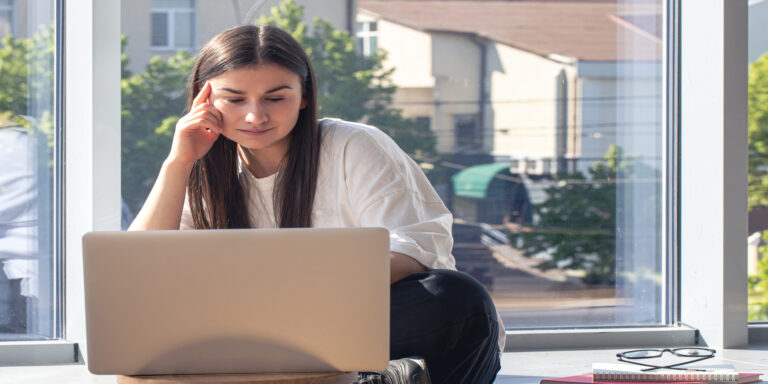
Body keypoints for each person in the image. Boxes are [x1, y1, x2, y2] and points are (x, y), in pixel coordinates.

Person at [129, 24, 503, 384]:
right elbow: (140, 273)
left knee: (456, 299)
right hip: (249, 336)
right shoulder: (200, 166)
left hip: (345, 326)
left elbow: (413, 249)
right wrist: (177, 163)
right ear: (203, 97)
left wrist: (287, 295)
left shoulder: (353, 145)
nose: (255, 116)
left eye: (276, 98)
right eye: (235, 98)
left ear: (304, 95)